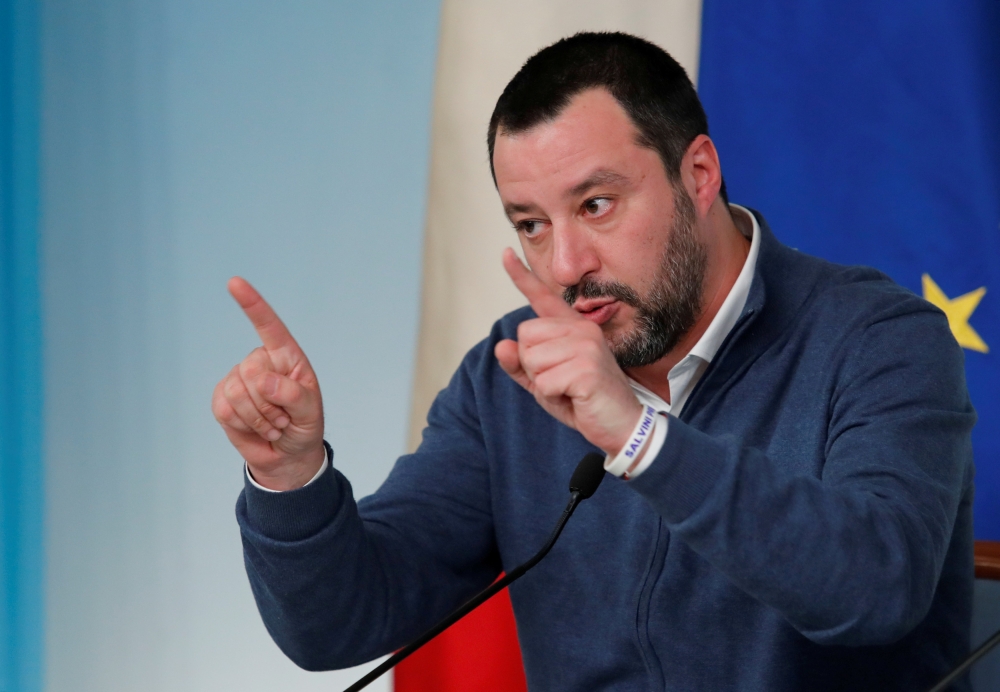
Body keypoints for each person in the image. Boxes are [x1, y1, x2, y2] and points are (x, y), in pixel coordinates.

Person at [213, 32, 976, 691]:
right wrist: (290, 480)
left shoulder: (880, 339)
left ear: (699, 176)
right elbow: (341, 624)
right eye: (531, 224)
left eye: (596, 205)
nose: (567, 263)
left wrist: (640, 438)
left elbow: (878, 589)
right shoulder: (510, 372)